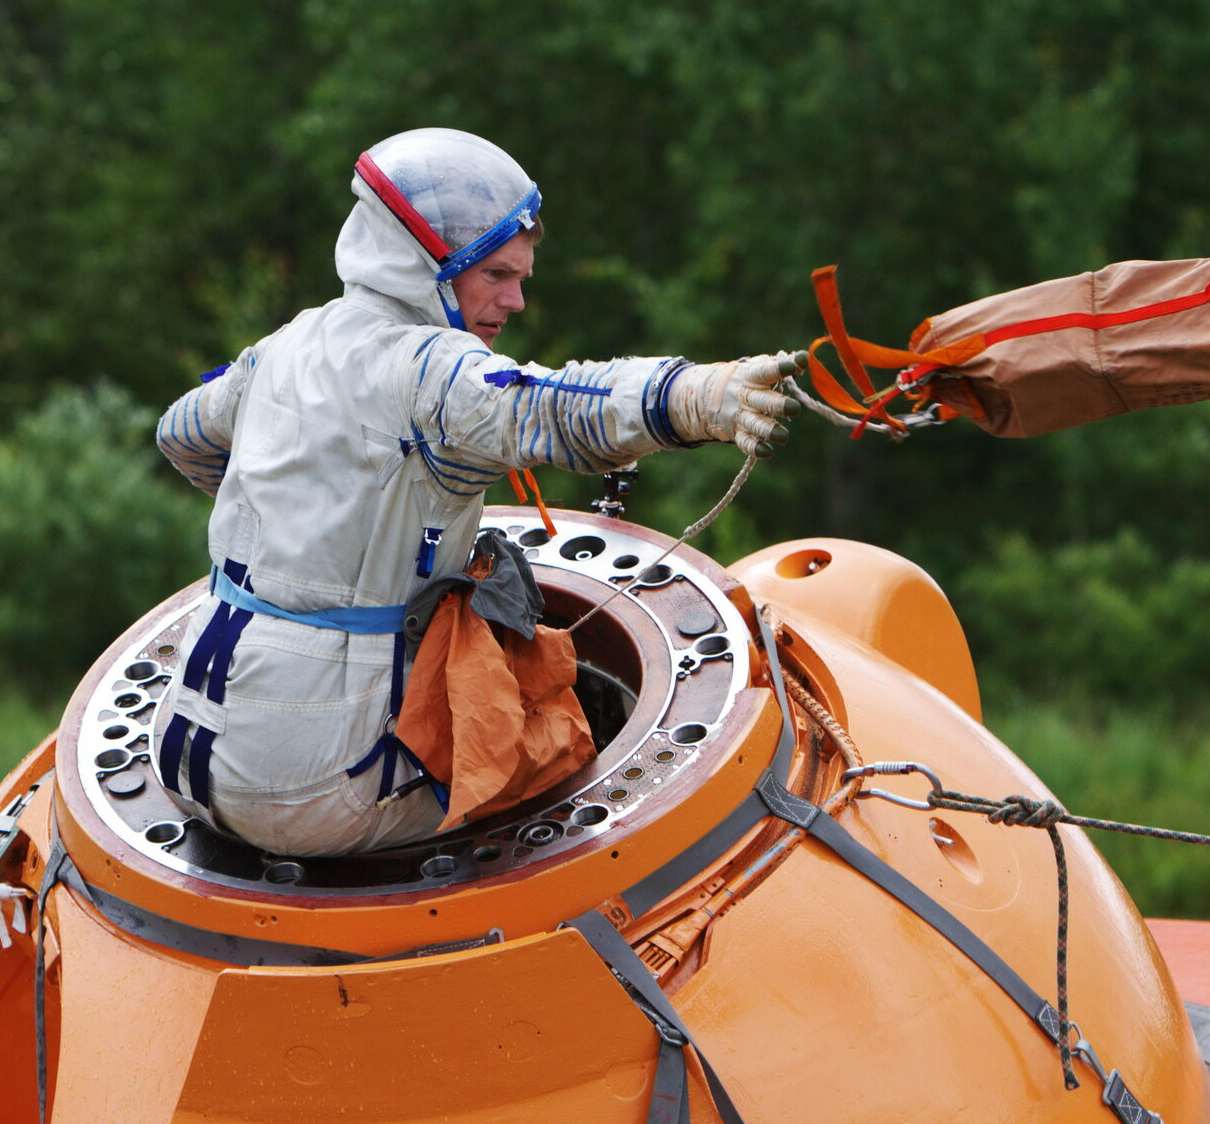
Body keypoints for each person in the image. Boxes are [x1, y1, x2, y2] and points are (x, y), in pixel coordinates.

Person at [153, 127, 803, 857]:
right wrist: (695, 396)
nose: (516, 300)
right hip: (314, 792)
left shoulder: (284, 346)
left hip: (183, 756)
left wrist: (300, 519)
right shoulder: (432, 370)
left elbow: (182, 432)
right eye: (495, 274)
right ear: (424, 267)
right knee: (566, 748)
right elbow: (549, 406)